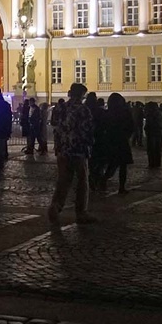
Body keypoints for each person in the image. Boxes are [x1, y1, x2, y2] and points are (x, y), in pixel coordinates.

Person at [48, 83, 95, 225]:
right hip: (78, 150)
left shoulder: (60, 108)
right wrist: (90, 144)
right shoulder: (83, 110)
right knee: (82, 182)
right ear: (82, 95)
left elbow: (54, 124)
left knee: (63, 180)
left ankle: (55, 207)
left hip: (62, 149)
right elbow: (88, 130)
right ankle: (81, 212)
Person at [103, 92, 134, 194]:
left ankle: (103, 180)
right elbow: (131, 126)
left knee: (112, 164)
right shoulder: (125, 112)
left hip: (111, 140)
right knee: (122, 166)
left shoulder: (108, 113)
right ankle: (121, 187)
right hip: (122, 140)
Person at [144, 101, 162, 168]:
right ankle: (157, 163)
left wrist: (146, 129)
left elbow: (149, 124)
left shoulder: (150, 114)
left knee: (151, 149)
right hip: (158, 132)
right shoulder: (159, 113)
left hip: (151, 132)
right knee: (157, 149)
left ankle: (151, 163)